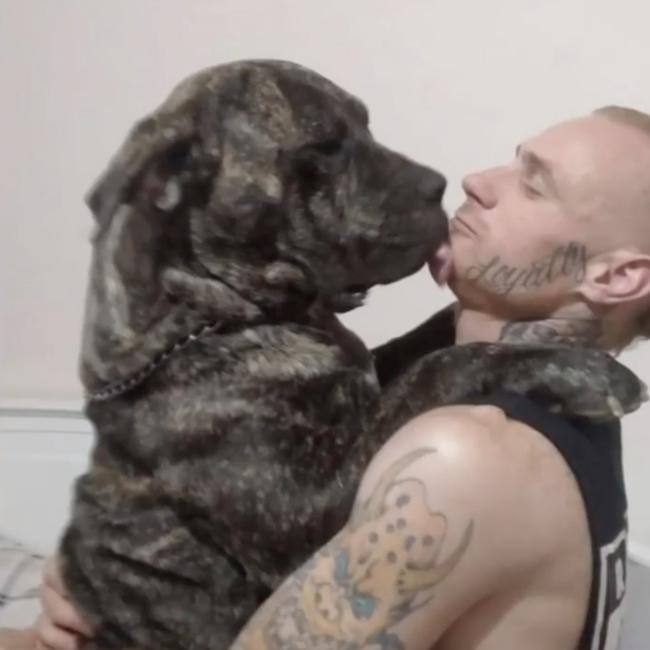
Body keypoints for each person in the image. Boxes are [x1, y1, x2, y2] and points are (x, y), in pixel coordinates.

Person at [33, 106, 650, 650]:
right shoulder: (559, 409)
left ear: (615, 278)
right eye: (513, 163)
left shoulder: (468, 457)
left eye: (534, 186)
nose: (478, 182)